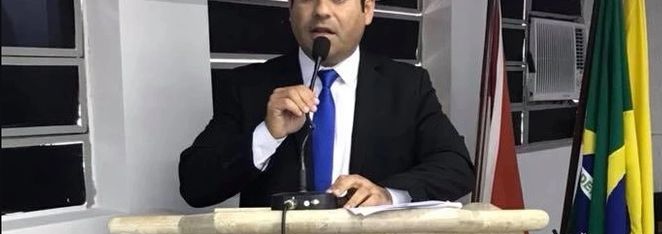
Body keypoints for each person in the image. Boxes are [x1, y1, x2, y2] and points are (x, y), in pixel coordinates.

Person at [179, 0, 475, 208]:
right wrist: (267, 134)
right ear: (290, 10)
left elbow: (457, 166)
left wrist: (388, 195)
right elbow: (195, 185)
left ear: (367, 9)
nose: (321, 10)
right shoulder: (249, 86)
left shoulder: (407, 85)